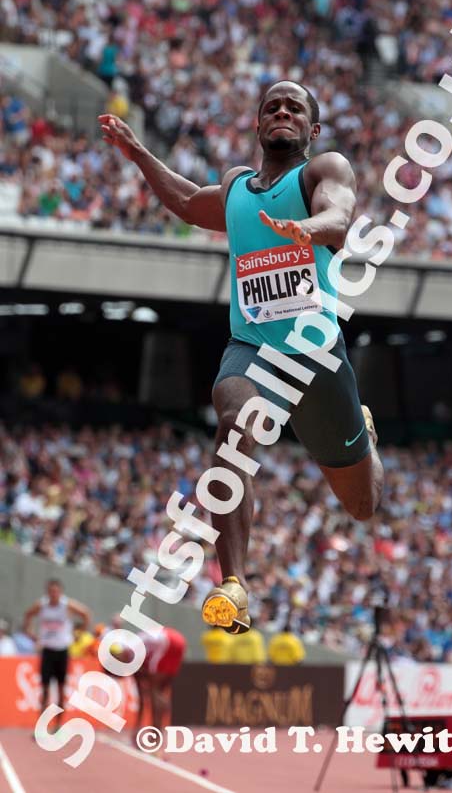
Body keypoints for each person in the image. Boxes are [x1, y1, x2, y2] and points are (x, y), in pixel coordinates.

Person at [99, 80, 384, 636]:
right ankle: (234, 585)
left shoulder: (321, 170)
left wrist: (307, 229)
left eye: (294, 108)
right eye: (271, 107)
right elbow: (185, 200)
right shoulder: (237, 189)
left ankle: (365, 440)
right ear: (257, 126)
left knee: (363, 504)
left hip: (313, 353)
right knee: (232, 420)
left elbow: (340, 216)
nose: (282, 112)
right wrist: (139, 155)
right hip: (250, 347)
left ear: (312, 129)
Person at [23, 579, 91, 726]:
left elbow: (85, 613)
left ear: (60, 592)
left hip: (62, 651)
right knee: (45, 690)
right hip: (47, 650)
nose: (54, 594)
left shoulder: (67, 605)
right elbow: (28, 614)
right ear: (48, 592)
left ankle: (58, 725)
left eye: (56, 592)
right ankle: (41, 726)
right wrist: (30, 633)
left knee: (61, 689)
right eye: (51, 592)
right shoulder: (42, 605)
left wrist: (79, 633)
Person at [133, 627, 186, 744]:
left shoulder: (131, 655)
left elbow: (142, 699)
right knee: (159, 690)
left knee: (154, 691)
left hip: (166, 641)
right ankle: (156, 735)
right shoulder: (138, 655)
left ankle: (163, 708)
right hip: (179, 639)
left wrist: (136, 729)